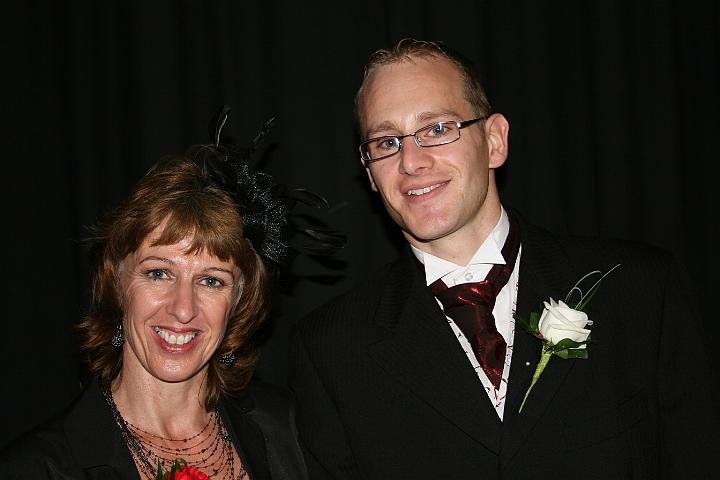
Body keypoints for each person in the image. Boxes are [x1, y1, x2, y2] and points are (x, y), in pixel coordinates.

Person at [287, 38, 719, 479]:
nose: (411, 161)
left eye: (437, 129)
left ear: (494, 141)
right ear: (370, 173)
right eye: (386, 142)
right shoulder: (331, 349)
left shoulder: (642, 289)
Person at [0, 109, 312, 479]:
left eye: (211, 281)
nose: (183, 309)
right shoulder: (38, 468)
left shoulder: (288, 429)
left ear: (238, 302)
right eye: (159, 273)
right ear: (118, 285)